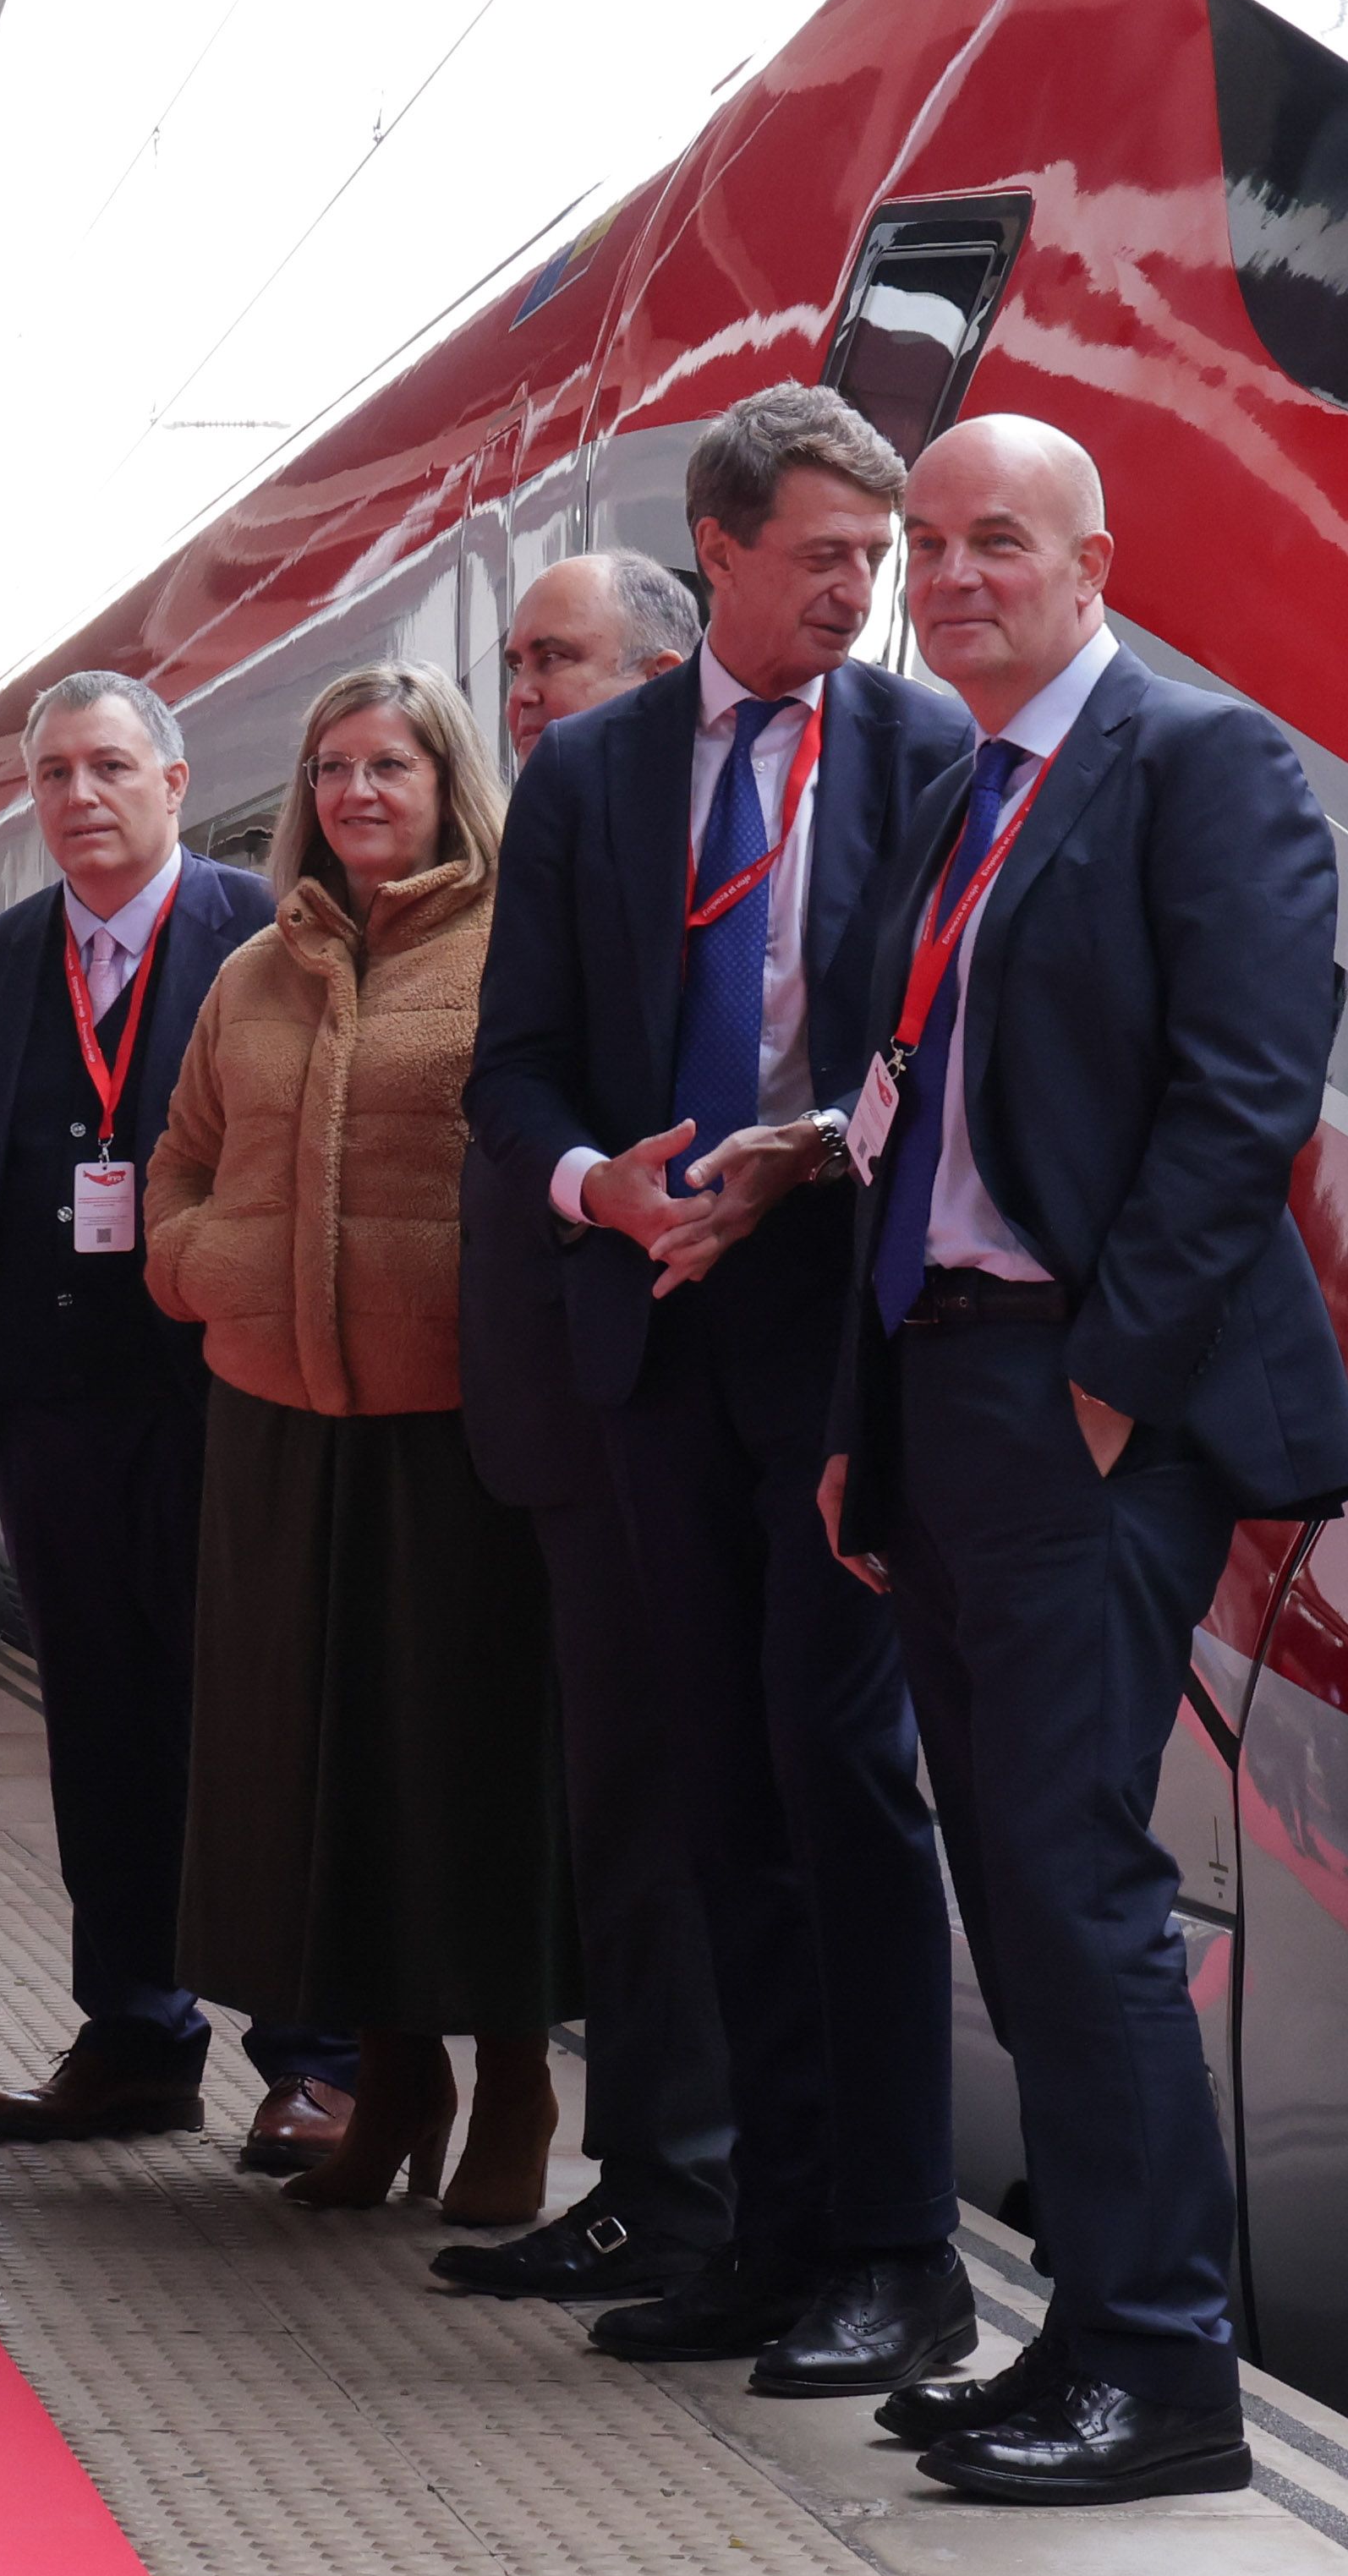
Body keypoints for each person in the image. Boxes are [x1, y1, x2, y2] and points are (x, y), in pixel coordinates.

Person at [818, 413, 1348, 2507]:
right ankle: (1082, 2323)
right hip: (945, 1382)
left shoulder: (1192, 760)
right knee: (1015, 1877)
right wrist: (857, 1427)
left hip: (1079, 1400)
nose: (950, 575)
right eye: (926, 546)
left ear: (1089, 557)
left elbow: (1247, 1093)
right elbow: (901, 1126)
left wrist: (1109, 1384)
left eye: (993, 541)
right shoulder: (963, 788)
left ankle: (1157, 2367)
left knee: (1072, 1874)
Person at [471, 392, 983, 2382]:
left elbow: (932, 1056)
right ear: (716, 548)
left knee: (840, 1775)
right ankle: (768, 2234)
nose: (865, 589)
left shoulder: (926, 757)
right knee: (715, 1787)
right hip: (649, 1332)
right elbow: (510, 1064)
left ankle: (899, 2247)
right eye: (828, 553)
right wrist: (600, 1185)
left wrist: (807, 1161)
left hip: (834, 1335)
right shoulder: (594, 776)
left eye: (881, 553)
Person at [154, 664, 572, 2220]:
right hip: (279, 1428)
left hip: (456, 1433)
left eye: (386, 765)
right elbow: (181, 1160)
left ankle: (517, 2084)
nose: (354, 795)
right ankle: (396, 2083)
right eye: (330, 770)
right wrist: (202, 1271)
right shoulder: (256, 972)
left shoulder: (515, 950)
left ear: (446, 777)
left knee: (465, 1767)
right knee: (322, 1771)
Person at [0, 673, 357, 2168]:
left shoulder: (270, 931)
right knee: (99, 1734)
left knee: (255, 1721)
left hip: (231, 1406)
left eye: (110, 767)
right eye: (52, 774)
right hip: (56, 1419)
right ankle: (132, 2034)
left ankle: (312, 2054)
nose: (78, 797)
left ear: (177, 784)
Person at [433, 550, 711, 2302]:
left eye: (557, 660)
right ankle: (659, 2173)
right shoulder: (559, 840)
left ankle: (693, 2178)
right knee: (616, 1805)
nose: (522, 695)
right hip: (557, 1413)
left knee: (684, 1807)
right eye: (516, 666)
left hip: (673, 1395)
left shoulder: (697, 844)